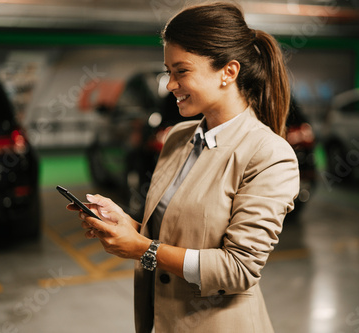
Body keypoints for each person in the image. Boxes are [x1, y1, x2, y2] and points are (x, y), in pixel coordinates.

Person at [68, 2, 300, 332]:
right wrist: (128, 225)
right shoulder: (179, 137)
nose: (170, 84)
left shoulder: (269, 155)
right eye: (168, 71)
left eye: (182, 71)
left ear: (228, 72)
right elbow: (174, 236)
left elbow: (238, 269)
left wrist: (142, 249)